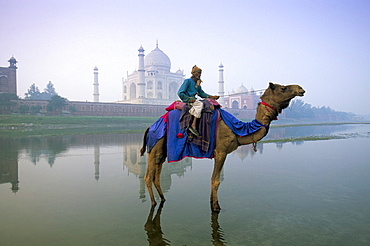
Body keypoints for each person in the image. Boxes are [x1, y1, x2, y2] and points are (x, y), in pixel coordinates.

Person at [177, 65, 219, 136]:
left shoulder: (197, 83)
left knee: (206, 104)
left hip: (194, 101)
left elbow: (201, 93)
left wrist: (212, 96)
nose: (199, 75)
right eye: (198, 73)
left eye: (200, 73)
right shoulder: (188, 81)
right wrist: (189, 99)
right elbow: (180, 92)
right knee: (200, 104)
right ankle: (193, 125)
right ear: (194, 73)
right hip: (188, 100)